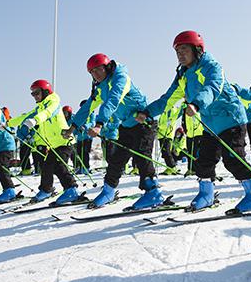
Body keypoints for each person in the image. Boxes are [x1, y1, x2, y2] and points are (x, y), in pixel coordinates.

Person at [140, 31, 251, 213]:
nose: (180, 54)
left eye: (184, 49)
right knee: (204, 161)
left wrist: (196, 103)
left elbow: (212, 88)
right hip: (211, 125)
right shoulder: (183, 75)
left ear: (197, 49)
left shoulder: (212, 66)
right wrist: (147, 112)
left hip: (230, 118)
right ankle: (206, 195)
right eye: (177, 51)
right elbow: (167, 99)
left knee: (233, 160)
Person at [68, 53, 164, 209]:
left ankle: (153, 193)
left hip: (143, 123)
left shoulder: (121, 78)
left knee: (142, 157)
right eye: (92, 72)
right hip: (126, 125)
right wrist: (73, 126)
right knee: (116, 159)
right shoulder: (101, 87)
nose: (96, 74)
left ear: (107, 67)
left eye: (98, 69)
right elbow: (88, 107)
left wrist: (99, 124)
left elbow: (114, 100)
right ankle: (108, 191)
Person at [8, 80, 80, 205]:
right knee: (48, 166)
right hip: (54, 145)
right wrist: (7, 123)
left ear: (46, 92)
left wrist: (35, 120)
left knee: (57, 166)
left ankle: (69, 190)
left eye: (37, 92)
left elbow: (47, 113)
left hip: (64, 141)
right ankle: (49, 190)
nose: (35, 96)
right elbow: (25, 116)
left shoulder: (53, 102)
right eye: (32, 94)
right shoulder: (40, 107)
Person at [157, 101, 182, 174]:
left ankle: (172, 167)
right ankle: (170, 167)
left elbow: (169, 122)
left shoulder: (171, 110)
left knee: (166, 151)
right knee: (164, 152)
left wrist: (159, 126)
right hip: (162, 134)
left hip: (167, 134)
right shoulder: (164, 111)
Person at [73, 100, 96, 174]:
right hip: (80, 137)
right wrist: (74, 132)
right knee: (79, 153)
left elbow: (92, 123)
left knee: (85, 153)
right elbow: (76, 124)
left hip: (87, 137)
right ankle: (81, 167)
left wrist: (85, 126)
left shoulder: (91, 114)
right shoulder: (80, 115)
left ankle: (86, 168)